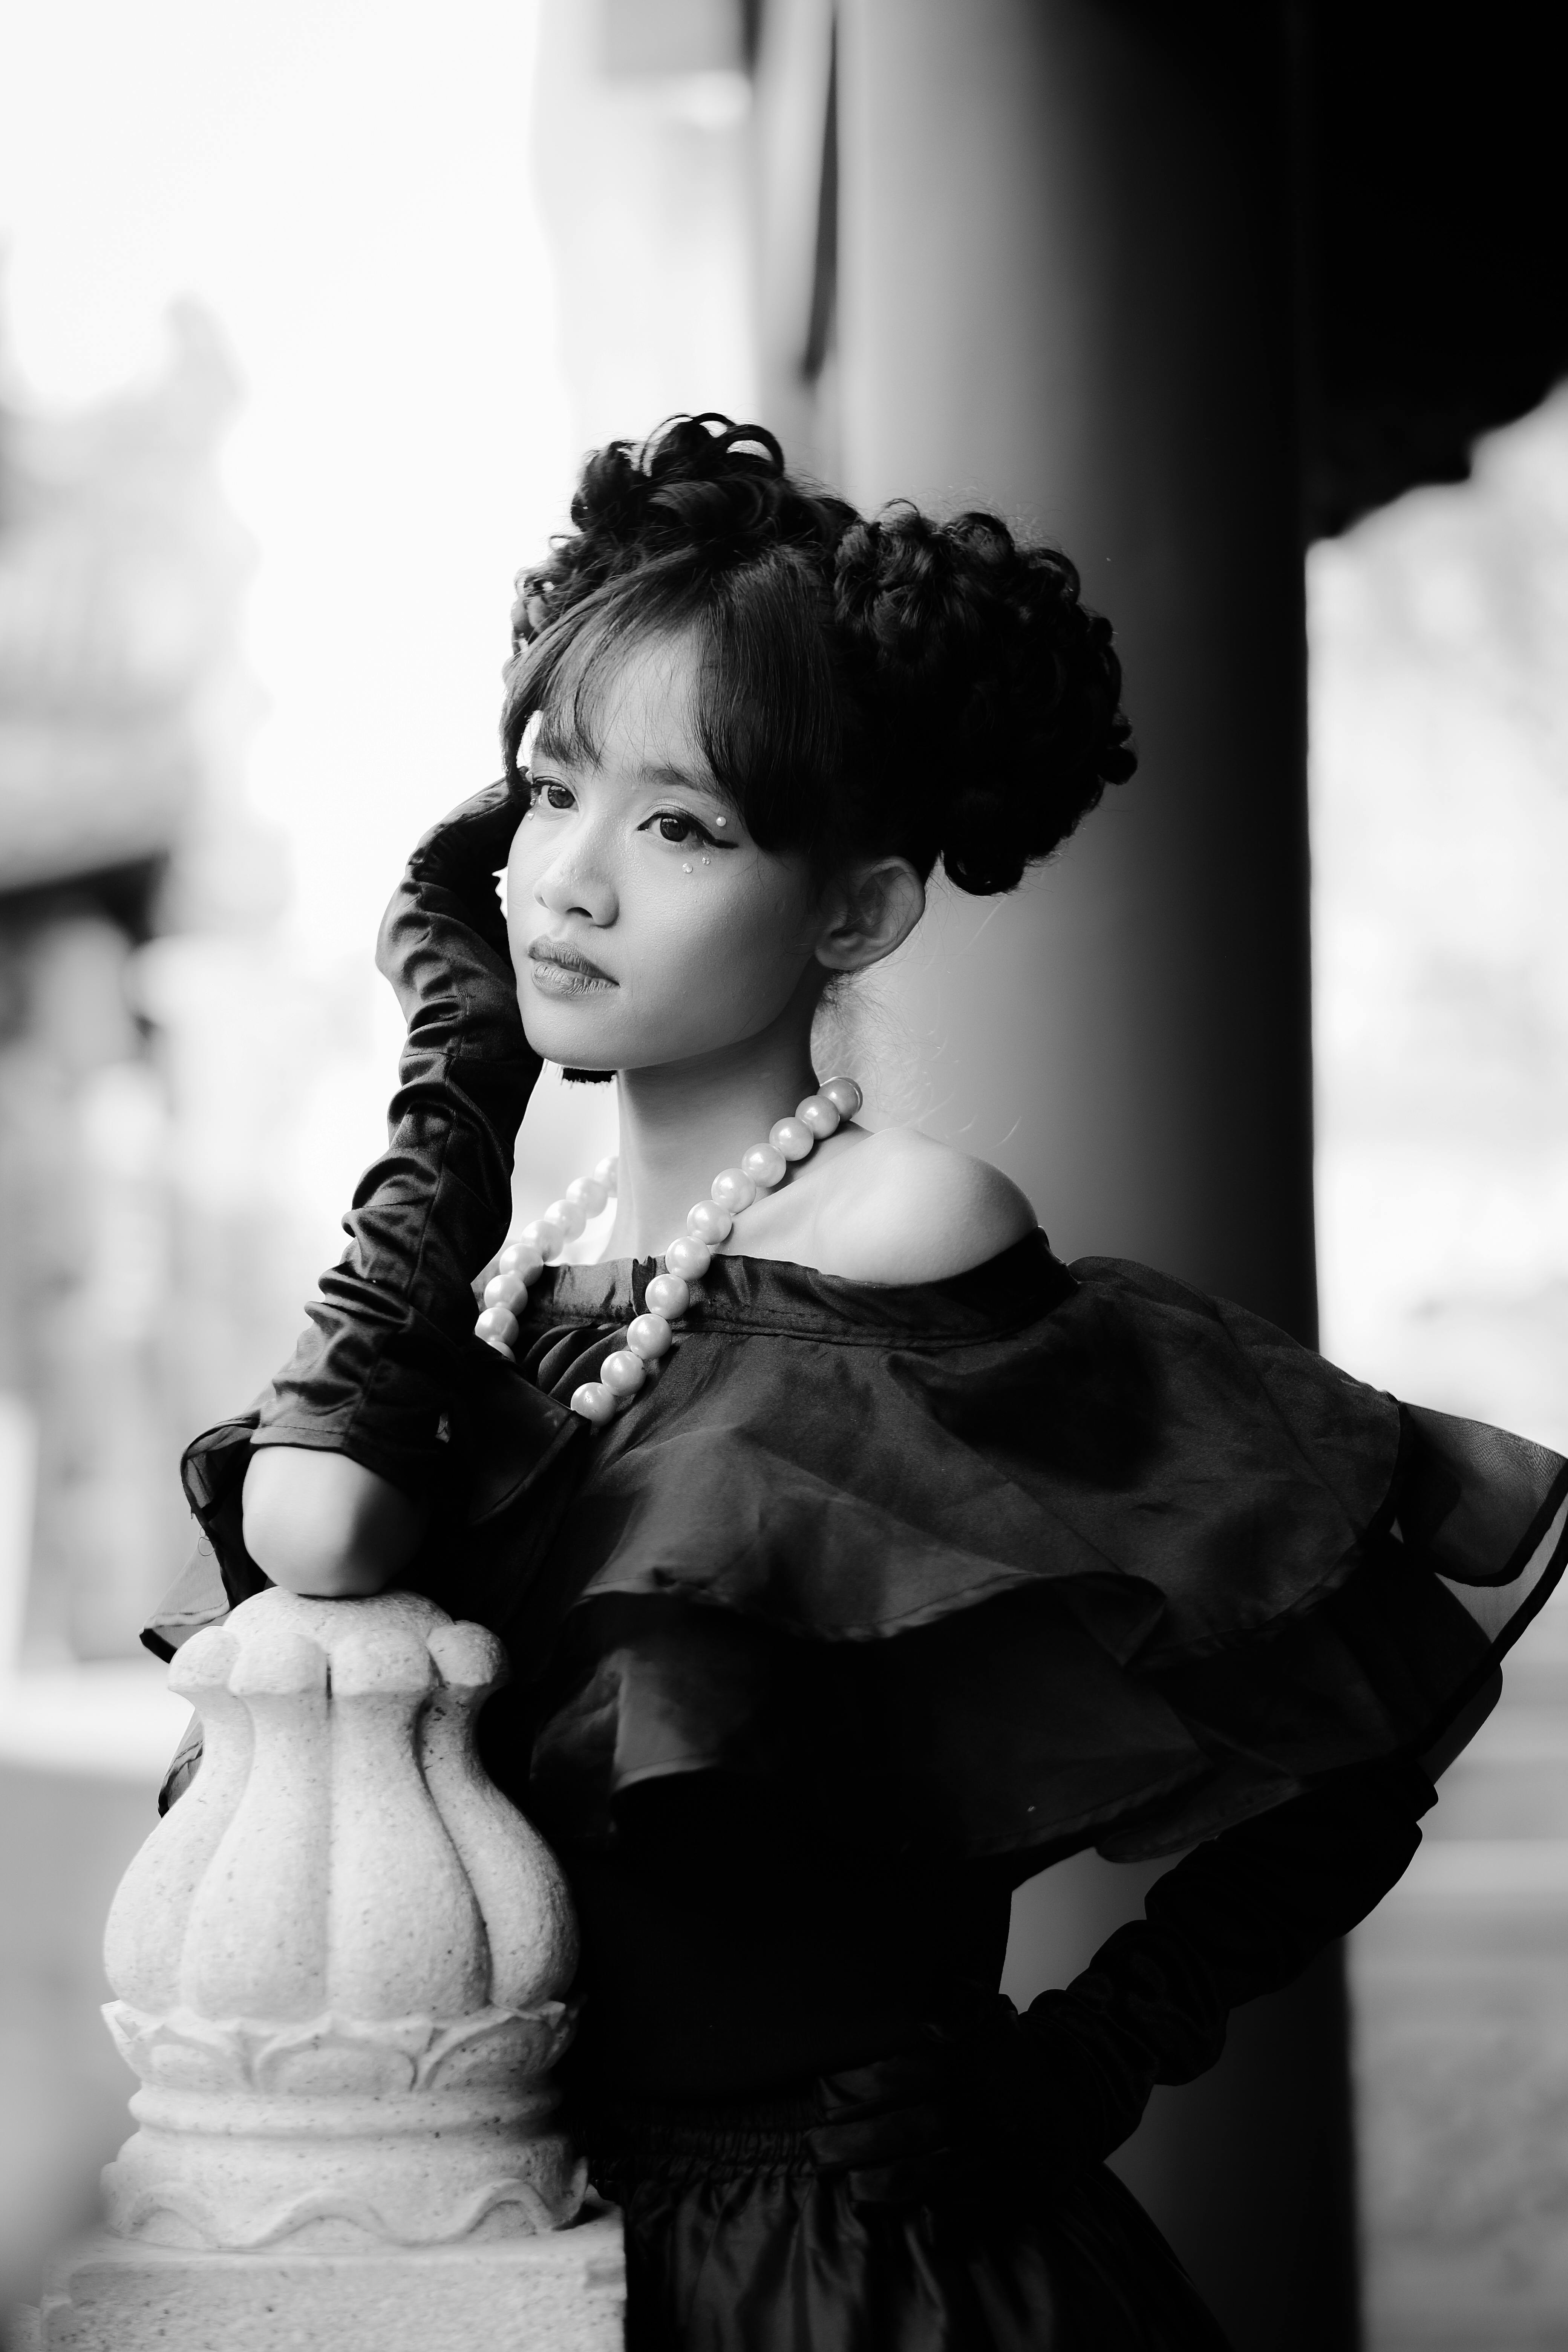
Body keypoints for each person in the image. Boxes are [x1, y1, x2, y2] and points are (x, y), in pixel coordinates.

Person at [153, 416, 1568, 2350]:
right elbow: (312, 1526)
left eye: (676, 826)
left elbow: (1377, 1677)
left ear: (856, 912)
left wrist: (1085, 2064)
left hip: (834, 2269)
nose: (566, 880)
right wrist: (455, 1075)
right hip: (510, 2243)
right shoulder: (518, 1280)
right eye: (545, 791)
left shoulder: (894, 1236)